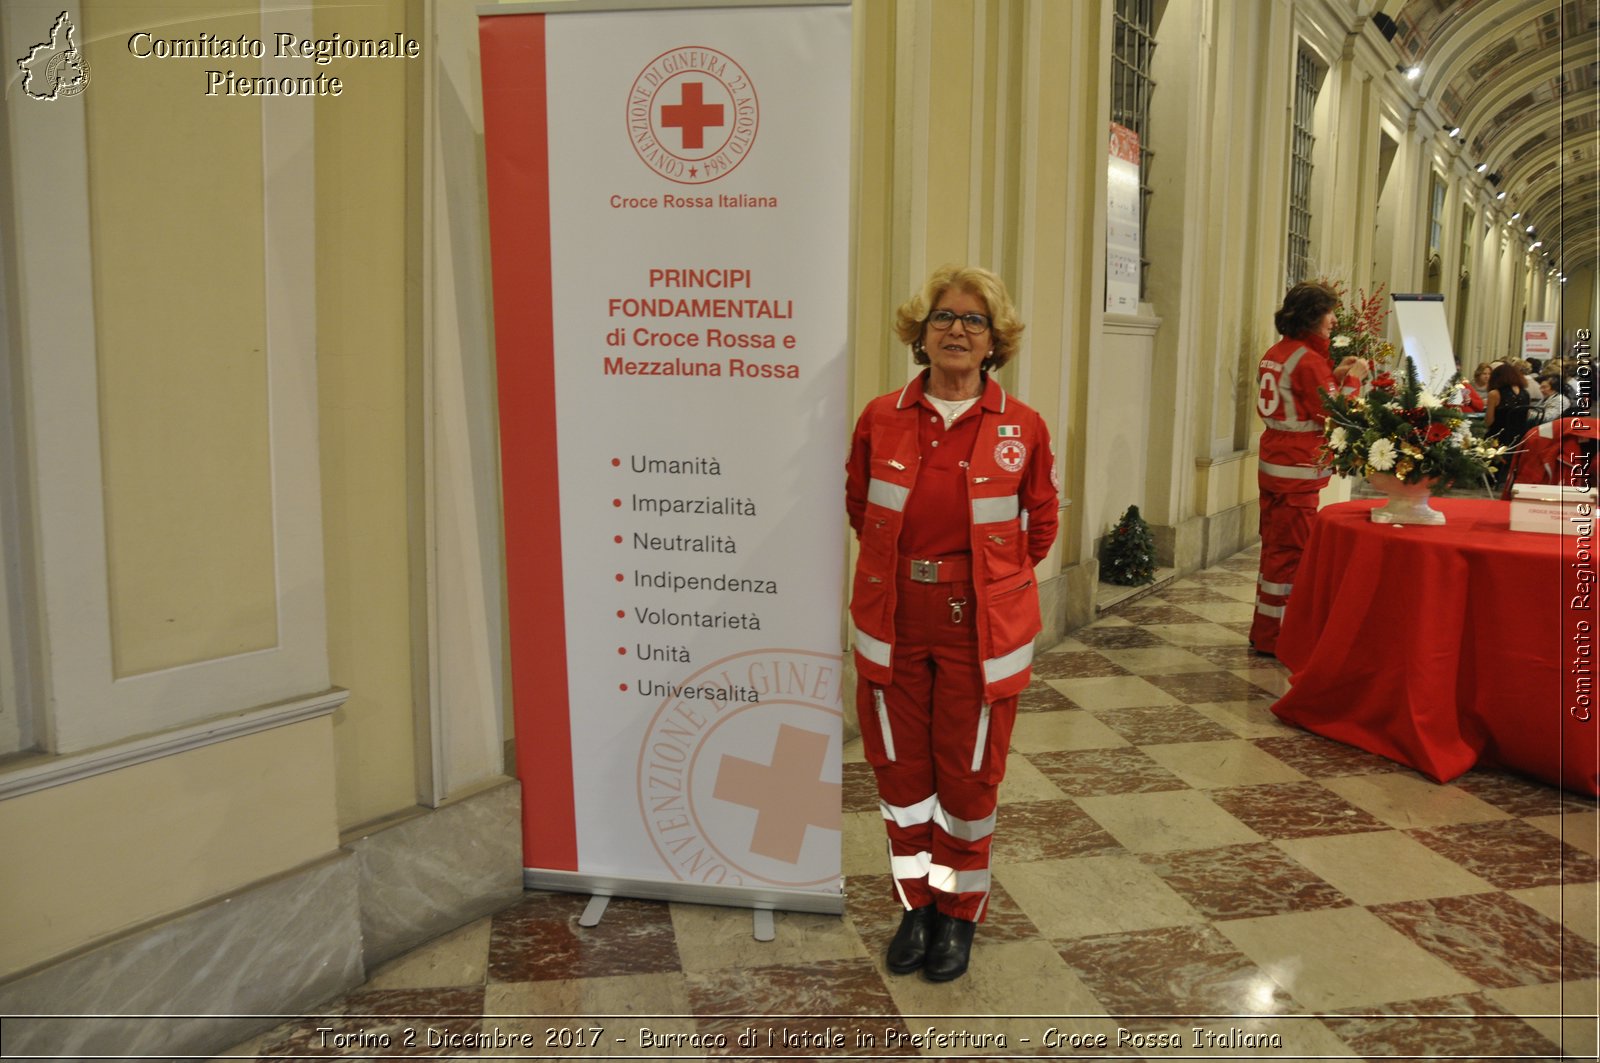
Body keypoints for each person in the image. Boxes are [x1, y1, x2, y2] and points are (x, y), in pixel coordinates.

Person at [845, 265, 1058, 982]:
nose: (958, 330)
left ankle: (958, 911)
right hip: (895, 619)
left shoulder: (1022, 426)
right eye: (944, 317)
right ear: (921, 331)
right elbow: (858, 505)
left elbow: (1041, 524)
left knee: (968, 778)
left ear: (995, 339)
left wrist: (987, 586)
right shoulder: (881, 416)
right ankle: (916, 905)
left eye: (974, 320)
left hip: (978, 630)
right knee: (902, 774)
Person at [1249, 281, 1367, 657]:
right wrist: (1353, 380)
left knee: (1274, 552)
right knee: (1291, 556)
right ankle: (1277, 637)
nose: (1334, 320)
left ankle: (1264, 629)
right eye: (1329, 312)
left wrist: (1334, 372)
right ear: (1312, 316)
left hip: (1275, 466)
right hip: (1297, 473)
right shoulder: (1309, 361)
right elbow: (1337, 415)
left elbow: (1299, 400)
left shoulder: (1279, 352)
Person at [1483, 362, 1531, 449]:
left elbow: (1488, 422)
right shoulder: (1526, 393)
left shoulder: (1494, 394)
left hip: (1498, 439)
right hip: (1520, 439)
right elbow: (1526, 416)